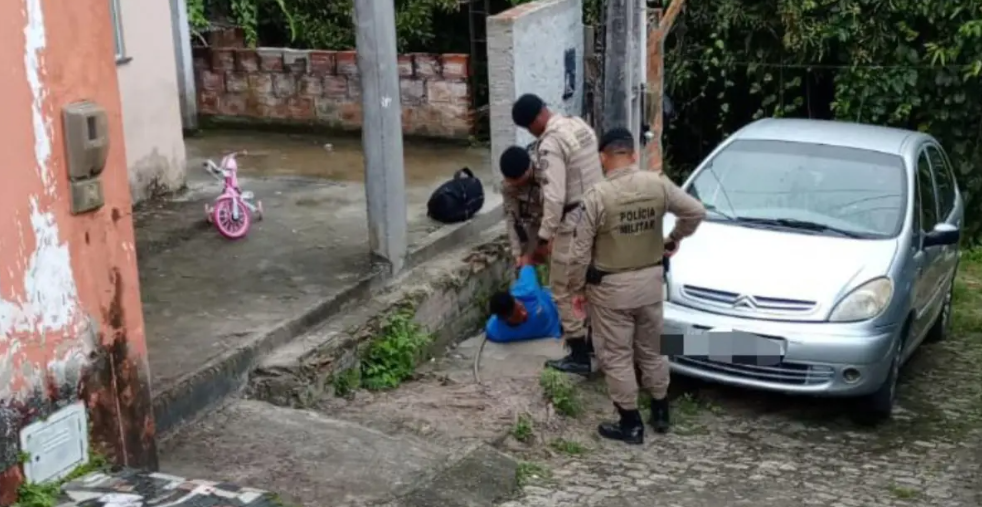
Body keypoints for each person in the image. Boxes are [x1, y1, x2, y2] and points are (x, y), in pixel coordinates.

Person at [568, 127, 706, 444]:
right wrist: (673, 240)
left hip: (610, 290)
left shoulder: (598, 196)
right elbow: (695, 211)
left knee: (616, 355)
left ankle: (630, 423)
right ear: (633, 154)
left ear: (604, 158)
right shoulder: (656, 185)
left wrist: (577, 290)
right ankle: (660, 410)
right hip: (650, 283)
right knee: (654, 348)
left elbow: (578, 253)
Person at [511, 93, 603, 376]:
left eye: (529, 128)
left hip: (574, 221)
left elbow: (554, 197)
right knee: (591, 283)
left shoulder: (550, 144)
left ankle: (578, 355)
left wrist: (543, 236)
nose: (531, 133)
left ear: (535, 120)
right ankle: (594, 343)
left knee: (563, 287)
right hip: (598, 212)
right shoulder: (578, 125)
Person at [486, 265, 561, 343]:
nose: (524, 313)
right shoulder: (496, 331)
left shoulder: (527, 290)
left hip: (558, 303)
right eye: (517, 316)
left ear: (514, 298)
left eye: (521, 307)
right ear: (503, 320)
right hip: (559, 327)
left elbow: (527, 264)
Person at [499, 145, 542, 266]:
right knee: (525, 259)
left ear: (528, 170)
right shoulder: (508, 186)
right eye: (511, 182)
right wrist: (517, 253)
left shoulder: (545, 174)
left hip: (559, 217)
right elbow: (512, 217)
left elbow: (557, 208)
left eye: (519, 182)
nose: (515, 186)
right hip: (534, 221)